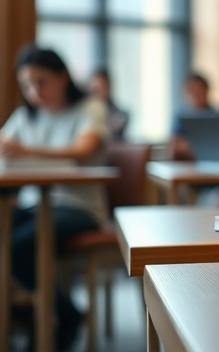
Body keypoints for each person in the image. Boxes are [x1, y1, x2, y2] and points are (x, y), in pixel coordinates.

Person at [3, 46, 109, 347]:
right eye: (26, 85)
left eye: (41, 81)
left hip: (79, 208)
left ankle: (64, 313)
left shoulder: (90, 108)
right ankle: (20, 311)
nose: (34, 91)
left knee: (18, 245)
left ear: (63, 77)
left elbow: (83, 152)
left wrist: (25, 152)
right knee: (8, 236)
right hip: (35, 204)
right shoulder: (27, 116)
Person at [170, 71, 219, 161]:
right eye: (191, 91)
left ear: (207, 91)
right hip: (187, 165)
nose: (195, 95)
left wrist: (190, 146)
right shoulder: (181, 116)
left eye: (199, 90)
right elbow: (174, 149)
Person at [87, 67, 129, 141]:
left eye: (100, 88)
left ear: (109, 87)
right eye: (94, 90)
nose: (96, 94)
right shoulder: (83, 113)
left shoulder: (120, 115)